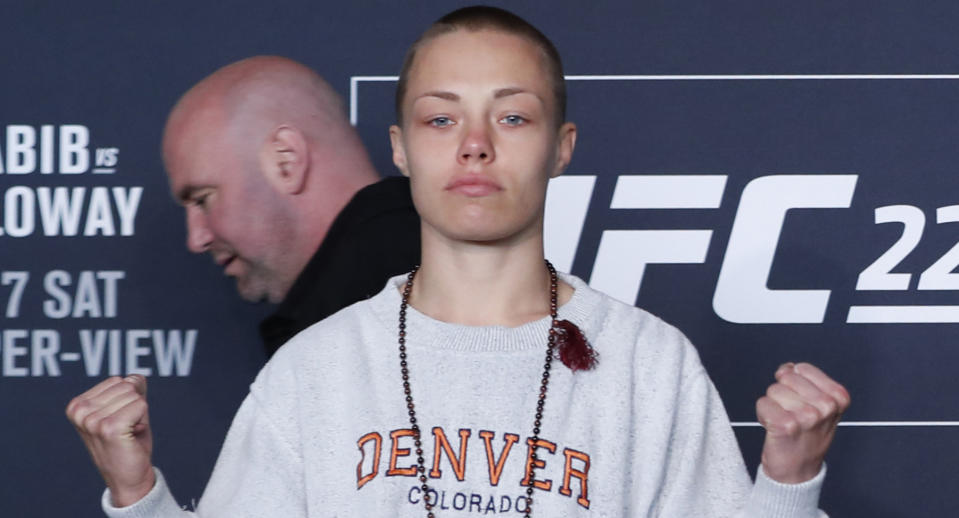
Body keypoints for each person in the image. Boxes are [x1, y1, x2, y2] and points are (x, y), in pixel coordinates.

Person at [66, 7, 850, 517]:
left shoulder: (648, 363)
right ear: (401, 149)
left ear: (561, 147)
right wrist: (137, 494)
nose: (475, 142)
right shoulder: (315, 370)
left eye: (512, 115)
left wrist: (788, 481)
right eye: (441, 118)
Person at [161, 56, 420, 357]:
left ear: (286, 161)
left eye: (203, 199)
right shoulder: (409, 276)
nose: (196, 239)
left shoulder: (405, 300)